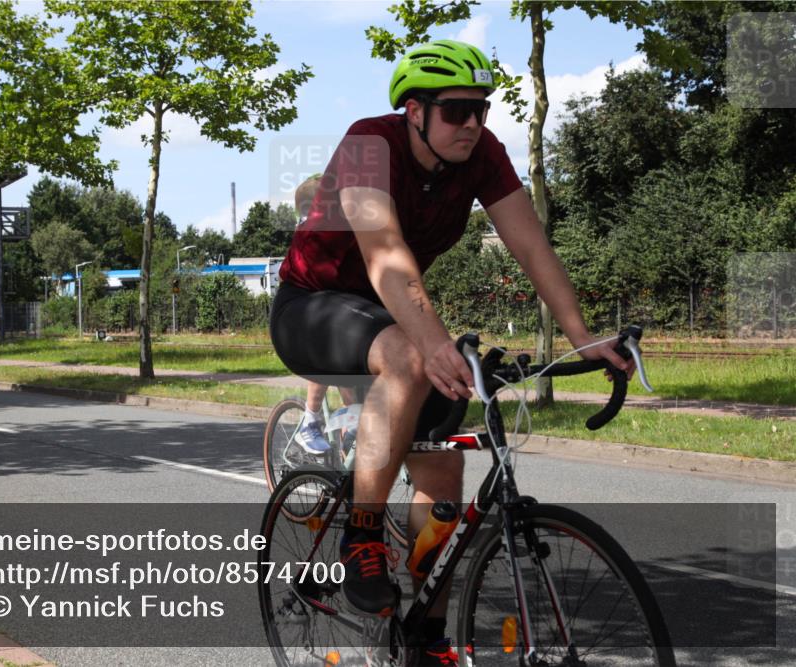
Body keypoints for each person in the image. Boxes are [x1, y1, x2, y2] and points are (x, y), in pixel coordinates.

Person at [270, 40, 632, 665]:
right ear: (415, 111)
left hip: (389, 315)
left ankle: (427, 634)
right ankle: (361, 533)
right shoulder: (368, 145)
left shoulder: (480, 156)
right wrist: (435, 345)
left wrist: (582, 334)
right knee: (414, 360)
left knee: (442, 479)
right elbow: (385, 256)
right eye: (456, 110)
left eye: (481, 111)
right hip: (313, 303)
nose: (472, 124)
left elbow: (530, 245)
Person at [291, 174, 361, 455]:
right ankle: (309, 420)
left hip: (338, 310)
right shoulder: (308, 234)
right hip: (307, 313)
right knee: (329, 353)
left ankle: (351, 440)